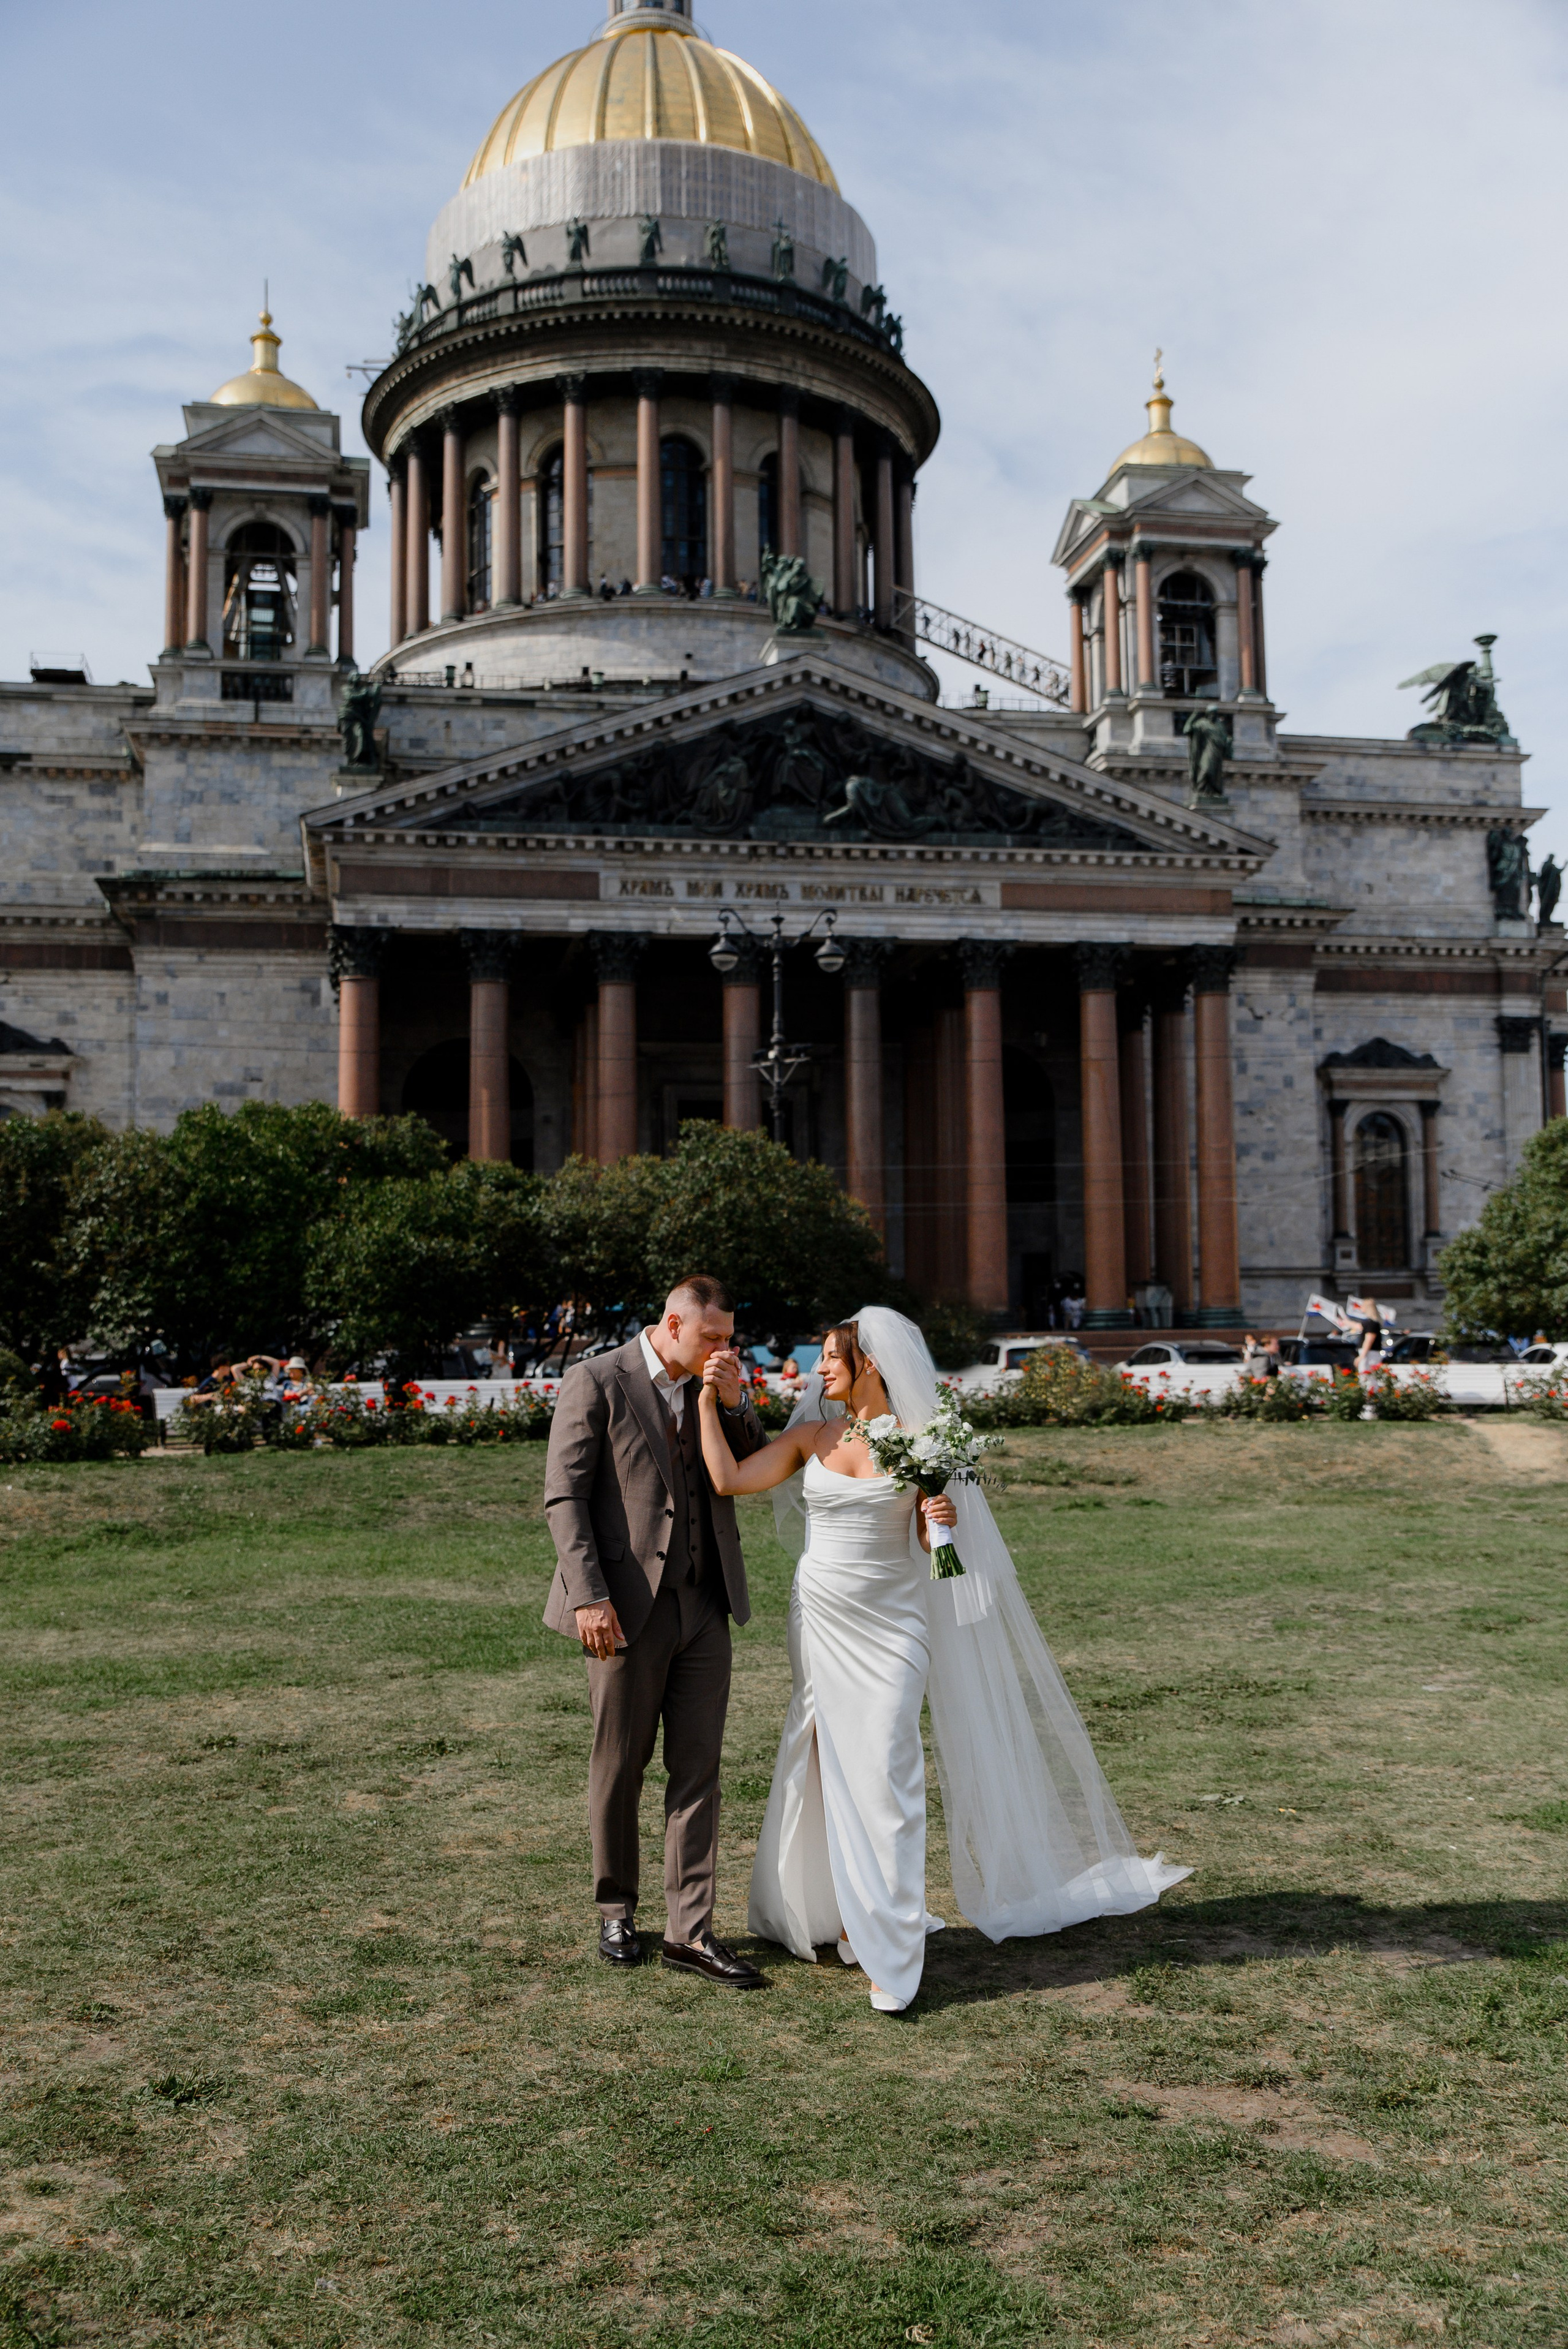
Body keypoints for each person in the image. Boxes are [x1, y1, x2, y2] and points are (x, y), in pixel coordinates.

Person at [696, 1306, 1189, 2015]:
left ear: (869, 1363)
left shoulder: (925, 1444)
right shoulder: (812, 1436)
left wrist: (940, 1527)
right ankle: (835, 1914)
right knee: (823, 1763)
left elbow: (941, 1561)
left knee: (887, 1776)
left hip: (894, 1629)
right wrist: (709, 1401)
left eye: (832, 1358)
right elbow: (728, 1479)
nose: (819, 1370)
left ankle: (890, 1952)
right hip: (820, 1622)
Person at [543, 1275, 769, 1985]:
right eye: (712, 1337)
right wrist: (588, 1597)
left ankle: (689, 1931)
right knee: (619, 1764)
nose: (723, 1349)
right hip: (623, 1607)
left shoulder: (715, 1386)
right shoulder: (596, 1379)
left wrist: (732, 1402)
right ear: (673, 1324)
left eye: (730, 1337)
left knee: (698, 1767)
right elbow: (565, 1495)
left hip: (705, 1602)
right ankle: (615, 1907)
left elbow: (748, 1460)